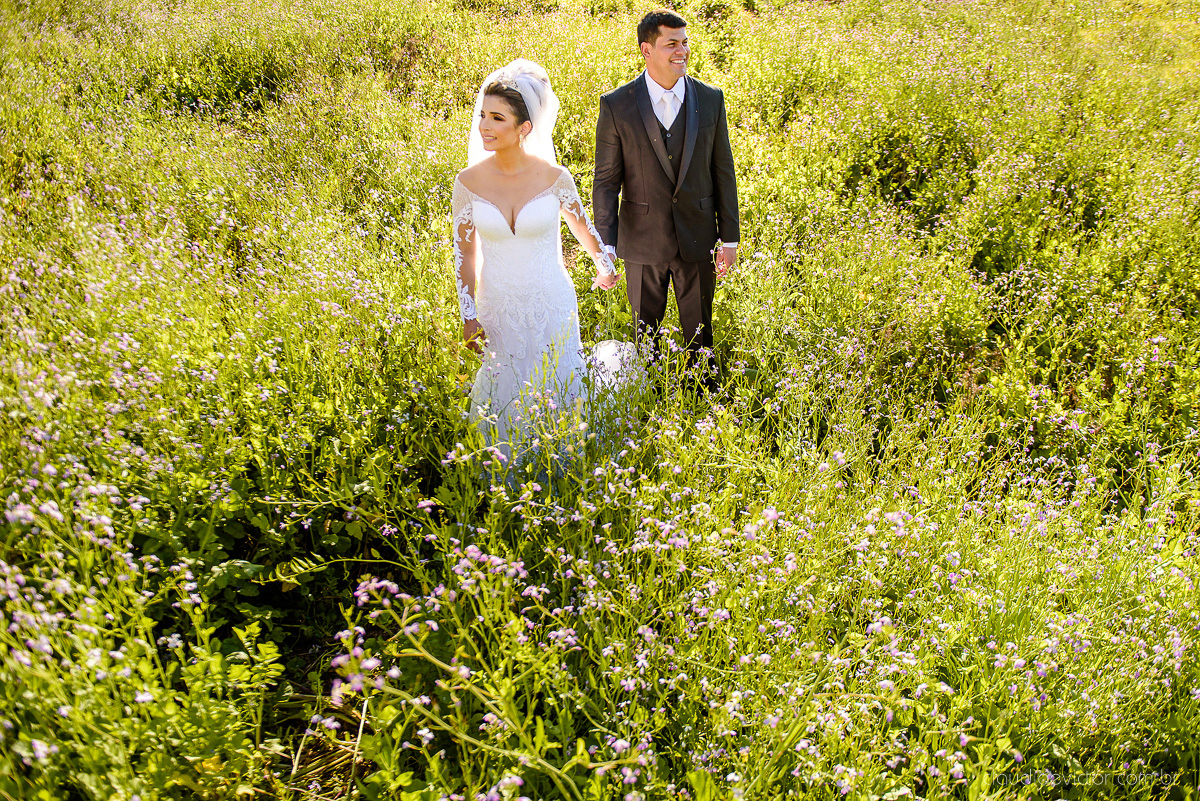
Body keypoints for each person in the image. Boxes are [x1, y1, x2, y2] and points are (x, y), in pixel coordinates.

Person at [451, 59, 623, 453]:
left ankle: (564, 460)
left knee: (557, 384)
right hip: (499, 305)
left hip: (551, 301)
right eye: (482, 115)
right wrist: (468, 315)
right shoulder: (467, 183)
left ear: (524, 128)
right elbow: (464, 254)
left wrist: (605, 265)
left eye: (497, 118)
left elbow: (582, 227)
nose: (484, 126)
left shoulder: (554, 177)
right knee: (505, 388)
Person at [593, 9, 740, 383]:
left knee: (700, 335)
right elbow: (606, 182)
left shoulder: (710, 98)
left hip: (698, 236)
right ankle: (649, 399)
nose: (682, 51)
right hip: (641, 241)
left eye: (685, 42)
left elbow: (723, 170)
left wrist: (730, 238)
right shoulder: (617, 104)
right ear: (647, 50)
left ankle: (703, 400)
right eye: (671, 43)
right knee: (646, 338)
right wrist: (605, 247)